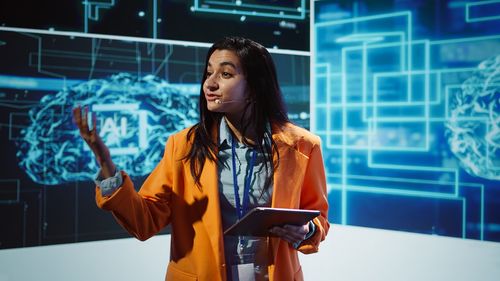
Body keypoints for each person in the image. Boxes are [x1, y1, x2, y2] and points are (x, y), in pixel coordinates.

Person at [73, 36, 329, 281]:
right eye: (209, 73)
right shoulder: (183, 146)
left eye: (225, 74)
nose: (210, 83)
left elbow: (319, 220)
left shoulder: (303, 146)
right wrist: (105, 162)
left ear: (255, 86)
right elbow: (145, 221)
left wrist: (307, 230)